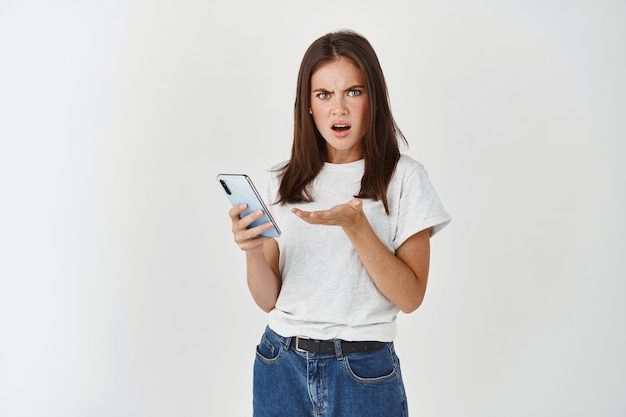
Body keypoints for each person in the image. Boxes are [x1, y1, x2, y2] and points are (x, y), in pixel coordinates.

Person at [227, 29, 451, 417]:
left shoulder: (405, 180)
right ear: (308, 106)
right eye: (324, 94)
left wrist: (357, 227)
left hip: (363, 372)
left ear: (373, 99)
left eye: (354, 91)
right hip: (280, 364)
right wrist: (250, 251)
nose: (339, 109)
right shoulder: (280, 182)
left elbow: (411, 297)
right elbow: (268, 299)